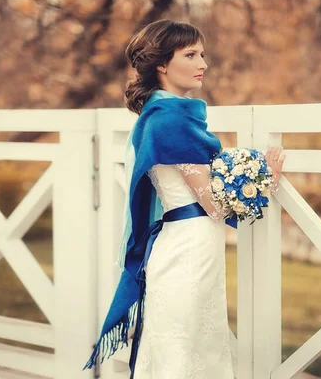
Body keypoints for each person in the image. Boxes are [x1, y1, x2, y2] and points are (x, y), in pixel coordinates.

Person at [84, 19, 285, 379]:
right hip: (189, 245)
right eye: (190, 54)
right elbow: (214, 204)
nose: (203, 64)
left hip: (185, 241)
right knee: (186, 347)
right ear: (161, 63)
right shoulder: (171, 120)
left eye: (202, 54)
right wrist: (264, 179)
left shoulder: (161, 115)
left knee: (188, 343)